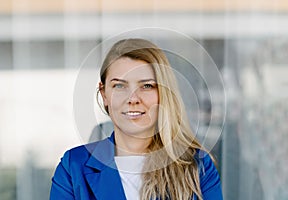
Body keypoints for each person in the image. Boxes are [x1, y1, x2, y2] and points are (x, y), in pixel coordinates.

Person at [50, 38, 223, 200]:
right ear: (104, 95)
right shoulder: (73, 167)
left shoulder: (198, 167)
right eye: (119, 85)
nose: (133, 98)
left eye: (146, 86)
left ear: (163, 94)